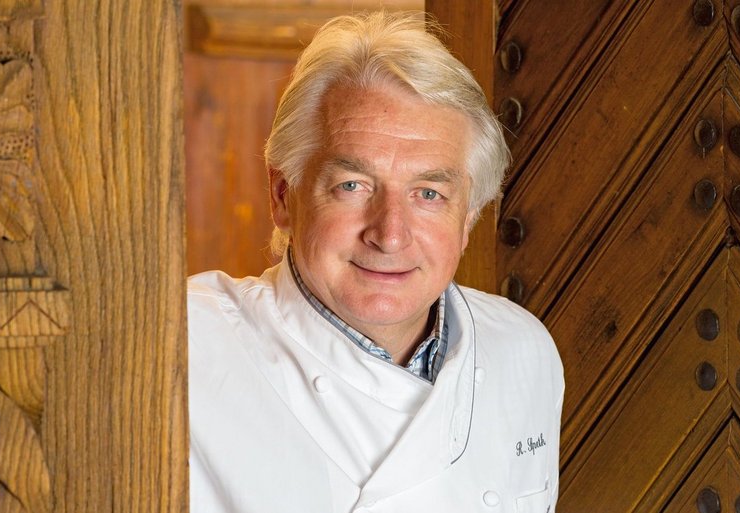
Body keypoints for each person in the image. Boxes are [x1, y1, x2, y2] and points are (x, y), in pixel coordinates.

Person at [189, 11, 564, 513]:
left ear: (469, 217)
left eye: (429, 194)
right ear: (282, 195)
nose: (389, 234)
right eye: (352, 186)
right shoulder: (185, 342)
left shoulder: (523, 350)